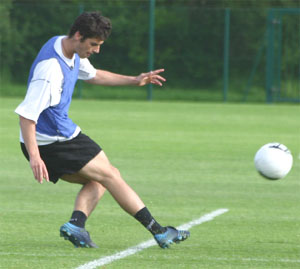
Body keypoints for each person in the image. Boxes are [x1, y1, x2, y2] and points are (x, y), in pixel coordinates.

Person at [15, 11, 190, 249]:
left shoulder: (66, 46)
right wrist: (35, 156)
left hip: (57, 136)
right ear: (78, 35)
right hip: (52, 141)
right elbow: (27, 115)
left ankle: (76, 225)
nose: (97, 50)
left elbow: (94, 75)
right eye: (94, 44)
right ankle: (159, 232)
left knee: (102, 178)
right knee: (111, 175)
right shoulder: (50, 70)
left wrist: (134, 80)